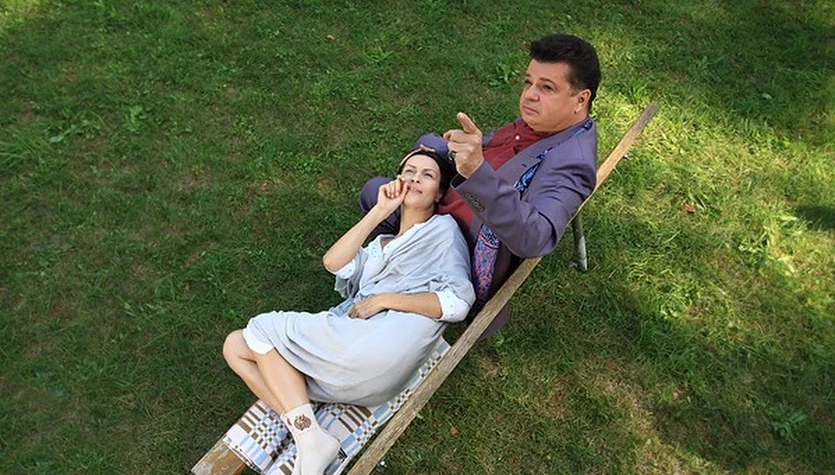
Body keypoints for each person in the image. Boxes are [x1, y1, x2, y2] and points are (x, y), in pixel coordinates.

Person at [223, 149, 475, 475]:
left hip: (379, 349)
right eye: (409, 171)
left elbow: (458, 303)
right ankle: (308, 434)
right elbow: (333, 262)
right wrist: (379, 211)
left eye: (427, 175)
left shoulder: (442, 231)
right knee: (235, 346)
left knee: (261, 329)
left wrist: (386, 299)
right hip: (357, 368)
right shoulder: (380, 245)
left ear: (439, 193)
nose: (415, 178)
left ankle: (311, 439)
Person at [361, 34, 601, 339]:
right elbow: (495, 150)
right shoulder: (546, 122)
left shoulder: (571, 163)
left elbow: (535, 237)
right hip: (457, 196)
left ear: (580, 99)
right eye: (528, 82)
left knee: (376, 195)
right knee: (412, 157)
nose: (529, 95)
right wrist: (440, 152)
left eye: (547, 88)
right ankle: (397, 256)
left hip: (461, 239)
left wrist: (476, 171)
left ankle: (403, 276)